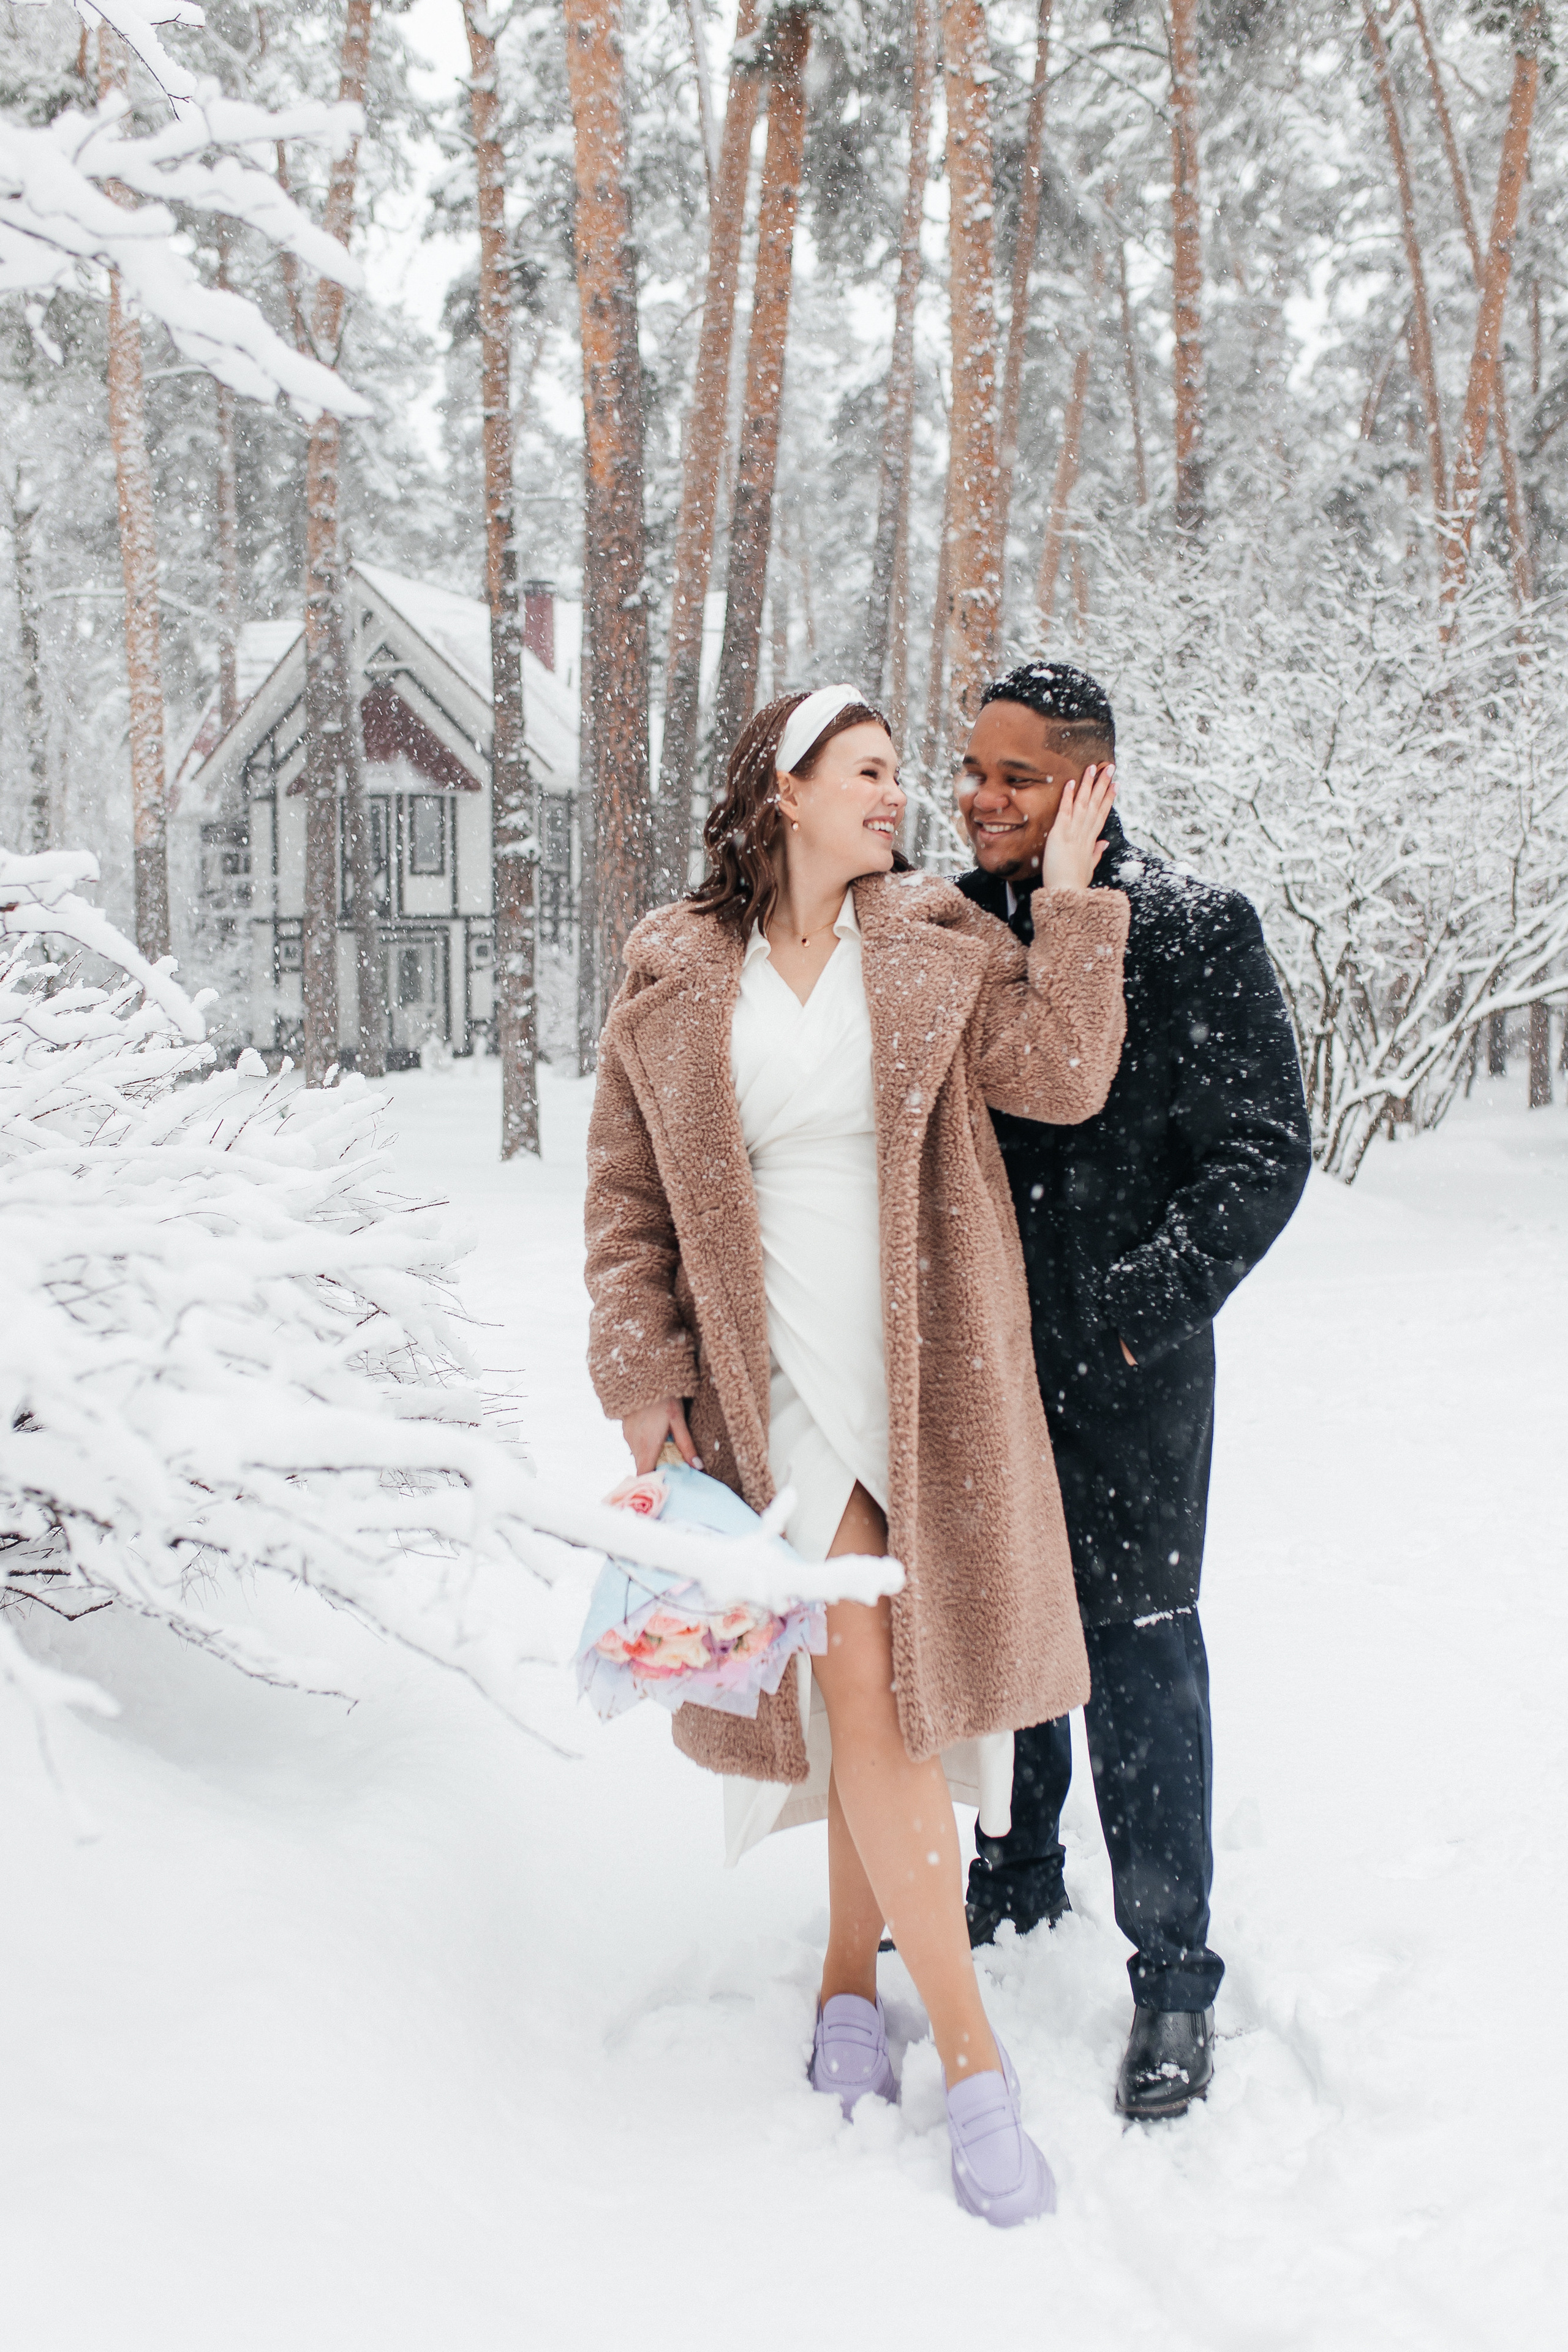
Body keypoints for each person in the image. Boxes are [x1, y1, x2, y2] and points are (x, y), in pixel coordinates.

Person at [584, 684, 1129, 2223]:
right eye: (868, 772)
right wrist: (642, 1377)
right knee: (867, 1678)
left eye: (896, 775)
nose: (898, 797)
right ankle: (972, 2063)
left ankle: (843, 1978)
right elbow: (624, 1203)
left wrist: (1070, 905)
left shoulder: (930, 938)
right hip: (770, 1385)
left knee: (866, 1696)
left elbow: (1062, 1075)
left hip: (920, 1369)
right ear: (786, 788)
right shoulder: (674, 970)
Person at [954, 661, 1312, 2121]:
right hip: (974, 1367)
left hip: (1128, 1378)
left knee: (1137, 1659)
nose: (978, 797)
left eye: (1016, 776)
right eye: (971, 770)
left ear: (1090, 785)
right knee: (1000, 1622)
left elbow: (1259, 1153)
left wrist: (1127, 1316)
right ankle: (1014, 1867)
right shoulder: (948, 927)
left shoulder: (1190, 930)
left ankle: (1171, 1976)